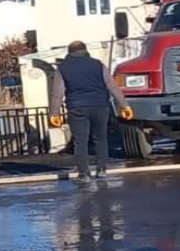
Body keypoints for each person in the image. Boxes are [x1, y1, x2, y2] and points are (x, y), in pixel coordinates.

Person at [48, 41, 129, 182]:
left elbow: (57, 93)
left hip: (76, 107)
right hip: (100, 105)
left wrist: (54, 113)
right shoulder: (98, 64)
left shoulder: (62, 68)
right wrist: (124, 105)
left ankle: (84, 174)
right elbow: (112, 86)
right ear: (85, 50)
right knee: (101, 138)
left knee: (80, 141)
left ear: (69, 52)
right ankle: (102, 169)